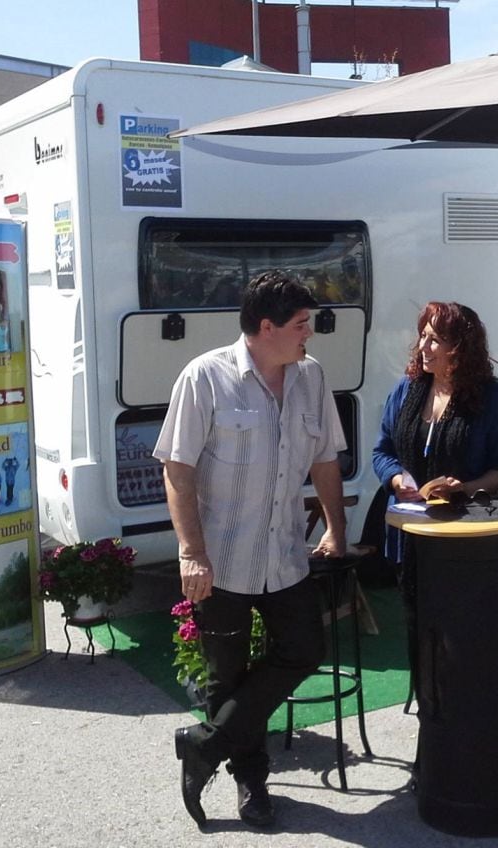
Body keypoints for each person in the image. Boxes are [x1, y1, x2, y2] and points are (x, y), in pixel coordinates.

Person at [153, 270, 347, 831]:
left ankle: (204, 746)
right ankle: (251, 786)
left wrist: (334, 528)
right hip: (222, 561)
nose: (309, 334)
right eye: (301, 324)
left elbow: (325, 460)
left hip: (285, 554)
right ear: (267, 327)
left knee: (304, 648)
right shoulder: (206, 378)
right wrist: (192, 553)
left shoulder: (311, 377)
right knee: (226, 679)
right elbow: (178, 469)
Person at [371, 302, 498, 707]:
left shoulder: (491, 399)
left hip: (463, 540)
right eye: (423, 336)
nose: (424, 346)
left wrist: (465, 487)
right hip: (410, 536)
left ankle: (462, 716)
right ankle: (428, 717)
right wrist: (399, 479)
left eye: (436, 339)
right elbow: (382, 451)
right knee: (418, 629)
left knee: (460, 635)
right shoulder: (407, 389)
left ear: (460, 348)